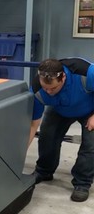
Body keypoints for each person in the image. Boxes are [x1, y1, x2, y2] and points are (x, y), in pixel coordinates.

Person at [29, 57, 94, 202]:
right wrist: (22, 152)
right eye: (45, 88)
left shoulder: (85, 72)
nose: (49, 92)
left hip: (89, 109)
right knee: (47, 135)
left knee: (91, 143)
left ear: (63, 77)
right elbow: (33, 125)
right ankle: (44, 171)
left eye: (53, 88)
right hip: (60, 110)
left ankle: (82, 183)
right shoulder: (37, 89)